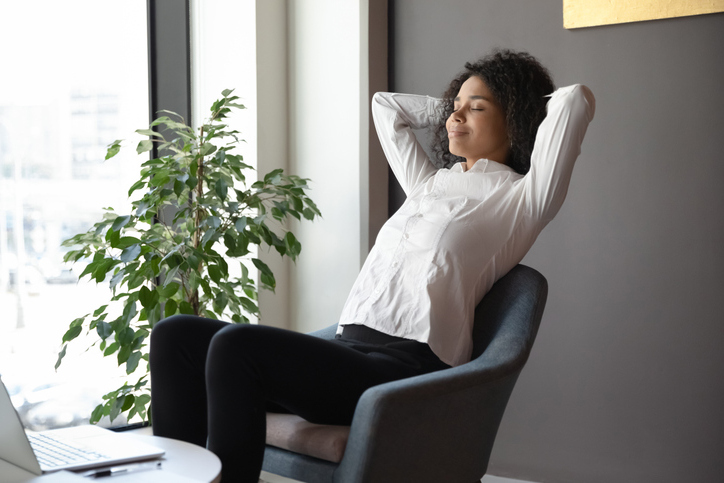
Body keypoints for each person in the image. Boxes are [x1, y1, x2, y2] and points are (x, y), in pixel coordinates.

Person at [149, 49, 595, 482]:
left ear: (515, 121)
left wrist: (526, 104)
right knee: (176, 334)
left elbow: (575, 100)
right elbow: (386, 107)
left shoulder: (521, 200)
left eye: (475, 108)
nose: (455, 117)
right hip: (347, 353)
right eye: (454, 106)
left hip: (402, 371)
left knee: (236, 344)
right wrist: (459, 102)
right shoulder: (430, 184)